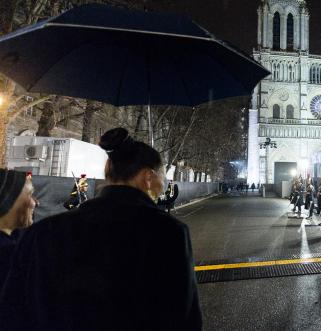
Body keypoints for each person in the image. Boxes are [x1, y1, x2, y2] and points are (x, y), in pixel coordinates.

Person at [0, 128, 202, 330]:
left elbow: (13, 311)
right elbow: (184, 318)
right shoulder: (168, 233)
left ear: (108, 171)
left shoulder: (43, 232)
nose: (162, 186)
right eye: (162, 178)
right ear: (148, 177)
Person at [0, 170, 37, 286]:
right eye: (30, 194)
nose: (36, 202)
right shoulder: (12, 258)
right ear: (9, 200)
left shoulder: (18, 242)